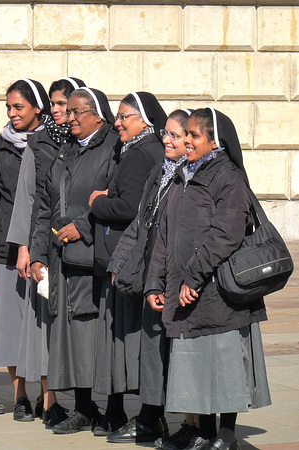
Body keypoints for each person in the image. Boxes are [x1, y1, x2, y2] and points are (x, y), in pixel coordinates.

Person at [144, 108, 271, 450]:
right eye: (185, 135)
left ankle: (226, 436)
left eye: (193, 136)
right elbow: (165, 237)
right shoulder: (183, 175)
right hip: (184, 288)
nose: (185, 141)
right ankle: (206, 431)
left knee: (224, 361)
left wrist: (194, 277)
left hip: (218, 291)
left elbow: (226, 233)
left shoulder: (227, 177)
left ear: (215, 141)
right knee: (198, 364)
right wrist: (155, 283)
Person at [30, 87, 119, 434]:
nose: (70, 118)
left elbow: (118, 198)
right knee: (70, 332)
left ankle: (113, 409)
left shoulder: (113, 147)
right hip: (62, 257)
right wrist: (38, 251)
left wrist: (81, 227)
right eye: (69, 112)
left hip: (94, 255)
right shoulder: (66, 150)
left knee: (99, 332)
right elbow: (45, 205)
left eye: (78, 112)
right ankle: (83, 407)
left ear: (98, 114)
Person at [105, 109, 191, 445]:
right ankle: (150, 418)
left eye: (174, 135)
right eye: (165, 134)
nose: (166, 140)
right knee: (152, 352)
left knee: (179, 355)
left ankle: (190, 424)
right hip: (153, 276)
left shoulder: (193, 177)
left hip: (177, 277)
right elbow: (140, 222)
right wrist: (119, 263)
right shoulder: (159, 172)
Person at [7, 77, 87, 426]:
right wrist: (25, 246)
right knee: (42, 324)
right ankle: (45, 398)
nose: (58, 111)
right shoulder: (38, 143)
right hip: (44, 247)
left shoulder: (84, 143)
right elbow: (29, 198)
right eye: (53, 104)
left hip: (80, 249)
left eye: (64, 104)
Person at [89, 91, 166, 436]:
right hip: (142, 261)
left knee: (131, 341)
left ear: (144, 121)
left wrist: (97, 203)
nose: (117, 122)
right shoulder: (147, 150)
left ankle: (146, 415)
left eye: (124, 116)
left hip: (131, 262)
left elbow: (129, 208)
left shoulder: (138, 155)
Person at [0, 78, 50, 422]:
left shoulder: (53, 141)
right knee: (9, 328)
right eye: (8, 107)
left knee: (42, 328)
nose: (11, 113)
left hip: (42, 249)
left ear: (38, 108)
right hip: (5, 252)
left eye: (18, 106)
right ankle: (20, 395)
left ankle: (48, 398)